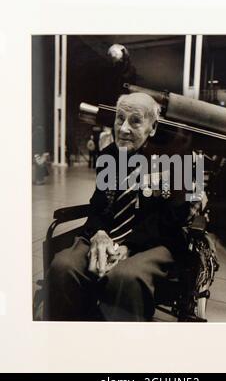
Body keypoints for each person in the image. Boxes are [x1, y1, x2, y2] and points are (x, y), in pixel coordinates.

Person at [43, 93, 193, 321]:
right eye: (119, 118)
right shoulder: (109, 156)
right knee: (64, 267)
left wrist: (129, 246)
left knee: (125, 276)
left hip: (155, 241)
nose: (123, 129)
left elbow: (173, 217)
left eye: (135, 121)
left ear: (153, 127)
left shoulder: (174, 160)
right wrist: (100, 233)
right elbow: (99, 204)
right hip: (108, 236)